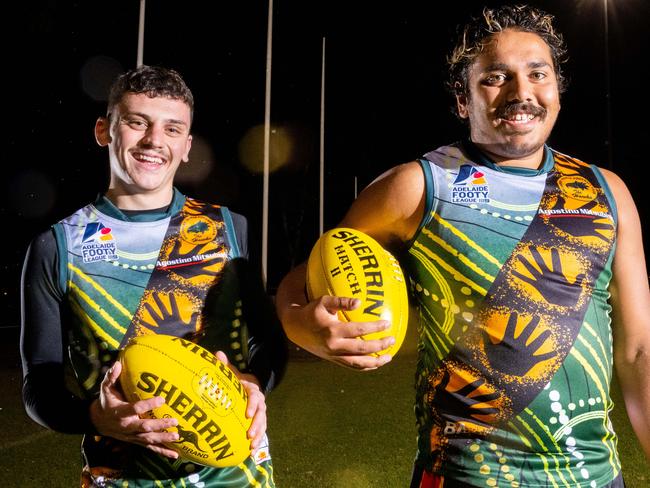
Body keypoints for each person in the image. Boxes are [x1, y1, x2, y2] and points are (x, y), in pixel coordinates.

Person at [276, 5, 650, 487]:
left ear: (556, 89)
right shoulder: (418, 187)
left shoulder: (606, 192)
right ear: (462, 98)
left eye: (538, 74)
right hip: (460, 476)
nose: (522, 93)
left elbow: (639, 351)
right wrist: (298, 322)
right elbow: (307, 272)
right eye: (497, 77)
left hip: (592, 477)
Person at [21, 65, 287, 487]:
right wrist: (96, 417)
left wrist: (254, 381)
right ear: (104, 131)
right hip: (123, 475)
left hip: (237, 472)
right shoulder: (57, 247)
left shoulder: (228, 228)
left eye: (172, 129)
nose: (153, 141)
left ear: (187, 146)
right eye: (136, 122)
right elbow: (39, 386)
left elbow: (268, 340)